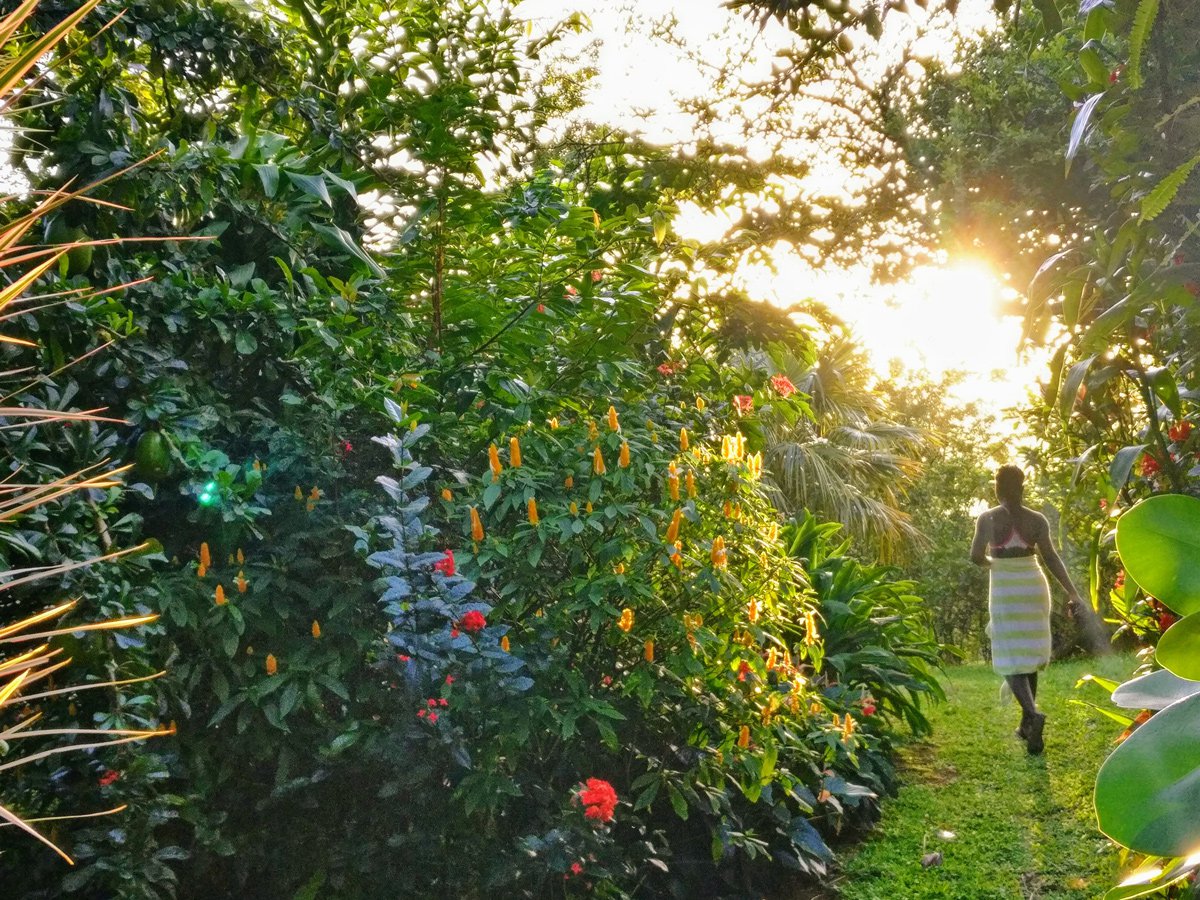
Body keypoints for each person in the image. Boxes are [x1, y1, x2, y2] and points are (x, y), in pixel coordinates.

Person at [969, 465, 1082, 755]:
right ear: (1022, 488)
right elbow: (1052, 559)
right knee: (1029, 655)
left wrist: (997, 565)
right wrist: (1072, 592)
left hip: (1006, 585)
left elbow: (975, 557)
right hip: (1033, 584)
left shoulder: (988, 518)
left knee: (1009, 655)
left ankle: (1031, 714)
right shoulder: (1037, 520)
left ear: (998, 488)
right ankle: (1026, 725)